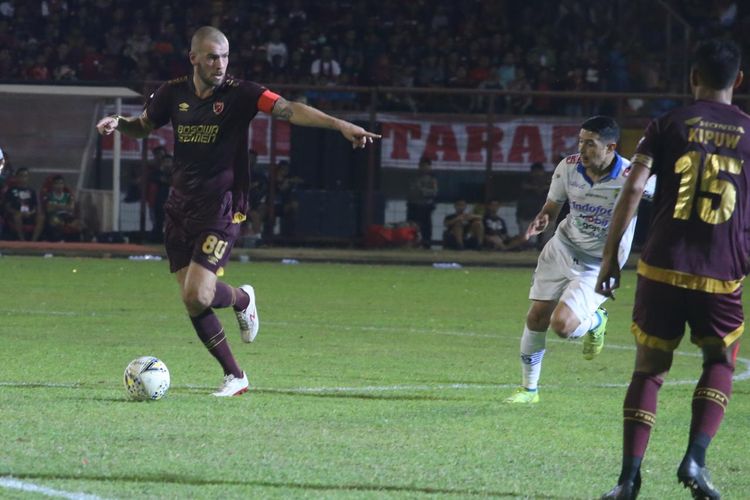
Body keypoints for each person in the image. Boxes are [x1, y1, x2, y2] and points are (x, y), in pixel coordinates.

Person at [96, 26, 380, 397]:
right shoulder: (172, 92)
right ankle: (242, 307)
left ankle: (236, 376)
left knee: (197, 295)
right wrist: (120, 124)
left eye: (225, 56)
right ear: (194, 57)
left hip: (222, 205)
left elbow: (290, 110)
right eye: (212, 56)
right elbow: (143, 127)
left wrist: (339, 124)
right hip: (179, 206)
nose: (220, 64)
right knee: (192, 297)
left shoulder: (241, 93)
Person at [596, 39, 748, 500]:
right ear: (738, 80)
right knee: (720, 361)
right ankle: (696, 460)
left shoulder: (666, 124)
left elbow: (633, 188)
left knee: (648, 371)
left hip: (661, 265)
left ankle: (627, 481)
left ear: (692, 77)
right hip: (721, 268)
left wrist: (609, 257)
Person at [504, 116, 654, 405]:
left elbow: (668, 198)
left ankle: (596, 321)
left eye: (590, 143)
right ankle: (529, 390)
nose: (582, 149)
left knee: (562, 326)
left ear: (611, 147)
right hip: (561, 246)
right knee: (536, 317)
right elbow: (553, 204)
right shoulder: (569, 167)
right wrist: (543, 217)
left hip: (599, 263)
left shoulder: (632, 177)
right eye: (580, 141)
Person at [3, 167, 45, 241]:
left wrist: (30, 212)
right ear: (16, 177)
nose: (23, 178)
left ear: (28, 177)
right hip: (16, 214)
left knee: (41, 217)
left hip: (29, 214)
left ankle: (33, 240)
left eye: (25, 176)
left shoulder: (32, 191)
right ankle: (22, 239)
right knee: (17, 217)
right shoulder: (11, 190)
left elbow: (35, 207)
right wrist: (17, 212)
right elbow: (7, 206)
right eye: (21, 176)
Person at [516, 162, 551, 249]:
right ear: (531, 172)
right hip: (526, 214)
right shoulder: (525, 181)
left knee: (547, 239)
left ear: (543, 172)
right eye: (536, 172)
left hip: (543, 215)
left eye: (540, 172)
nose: (538, 174)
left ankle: (545, 250)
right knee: (529, 241)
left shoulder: (549, 182)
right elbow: (525, 186)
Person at [406, 156, 438, 248]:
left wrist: (422, 190)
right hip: (413, 205)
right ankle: (411, 244)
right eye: (422, 165)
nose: (424, 167)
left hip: (426, 206)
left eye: (426, 166)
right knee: (411, 225)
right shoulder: (414, 177)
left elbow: (434, 192)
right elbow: (410, 191)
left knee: (426, 227)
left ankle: (426, 244)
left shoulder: (432, 178)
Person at [42, 174, 81, 241]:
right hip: (54, 216)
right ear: (53, 185)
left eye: (61, 183)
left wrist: (56, 205)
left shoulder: (68, 196)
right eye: (57, 183)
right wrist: (64, 206)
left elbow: (71, 208)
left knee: (79, 223)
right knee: (56, 221)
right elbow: (49, 209)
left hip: (67, 216)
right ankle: (59, 239)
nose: (59, 186)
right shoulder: (49, 195)